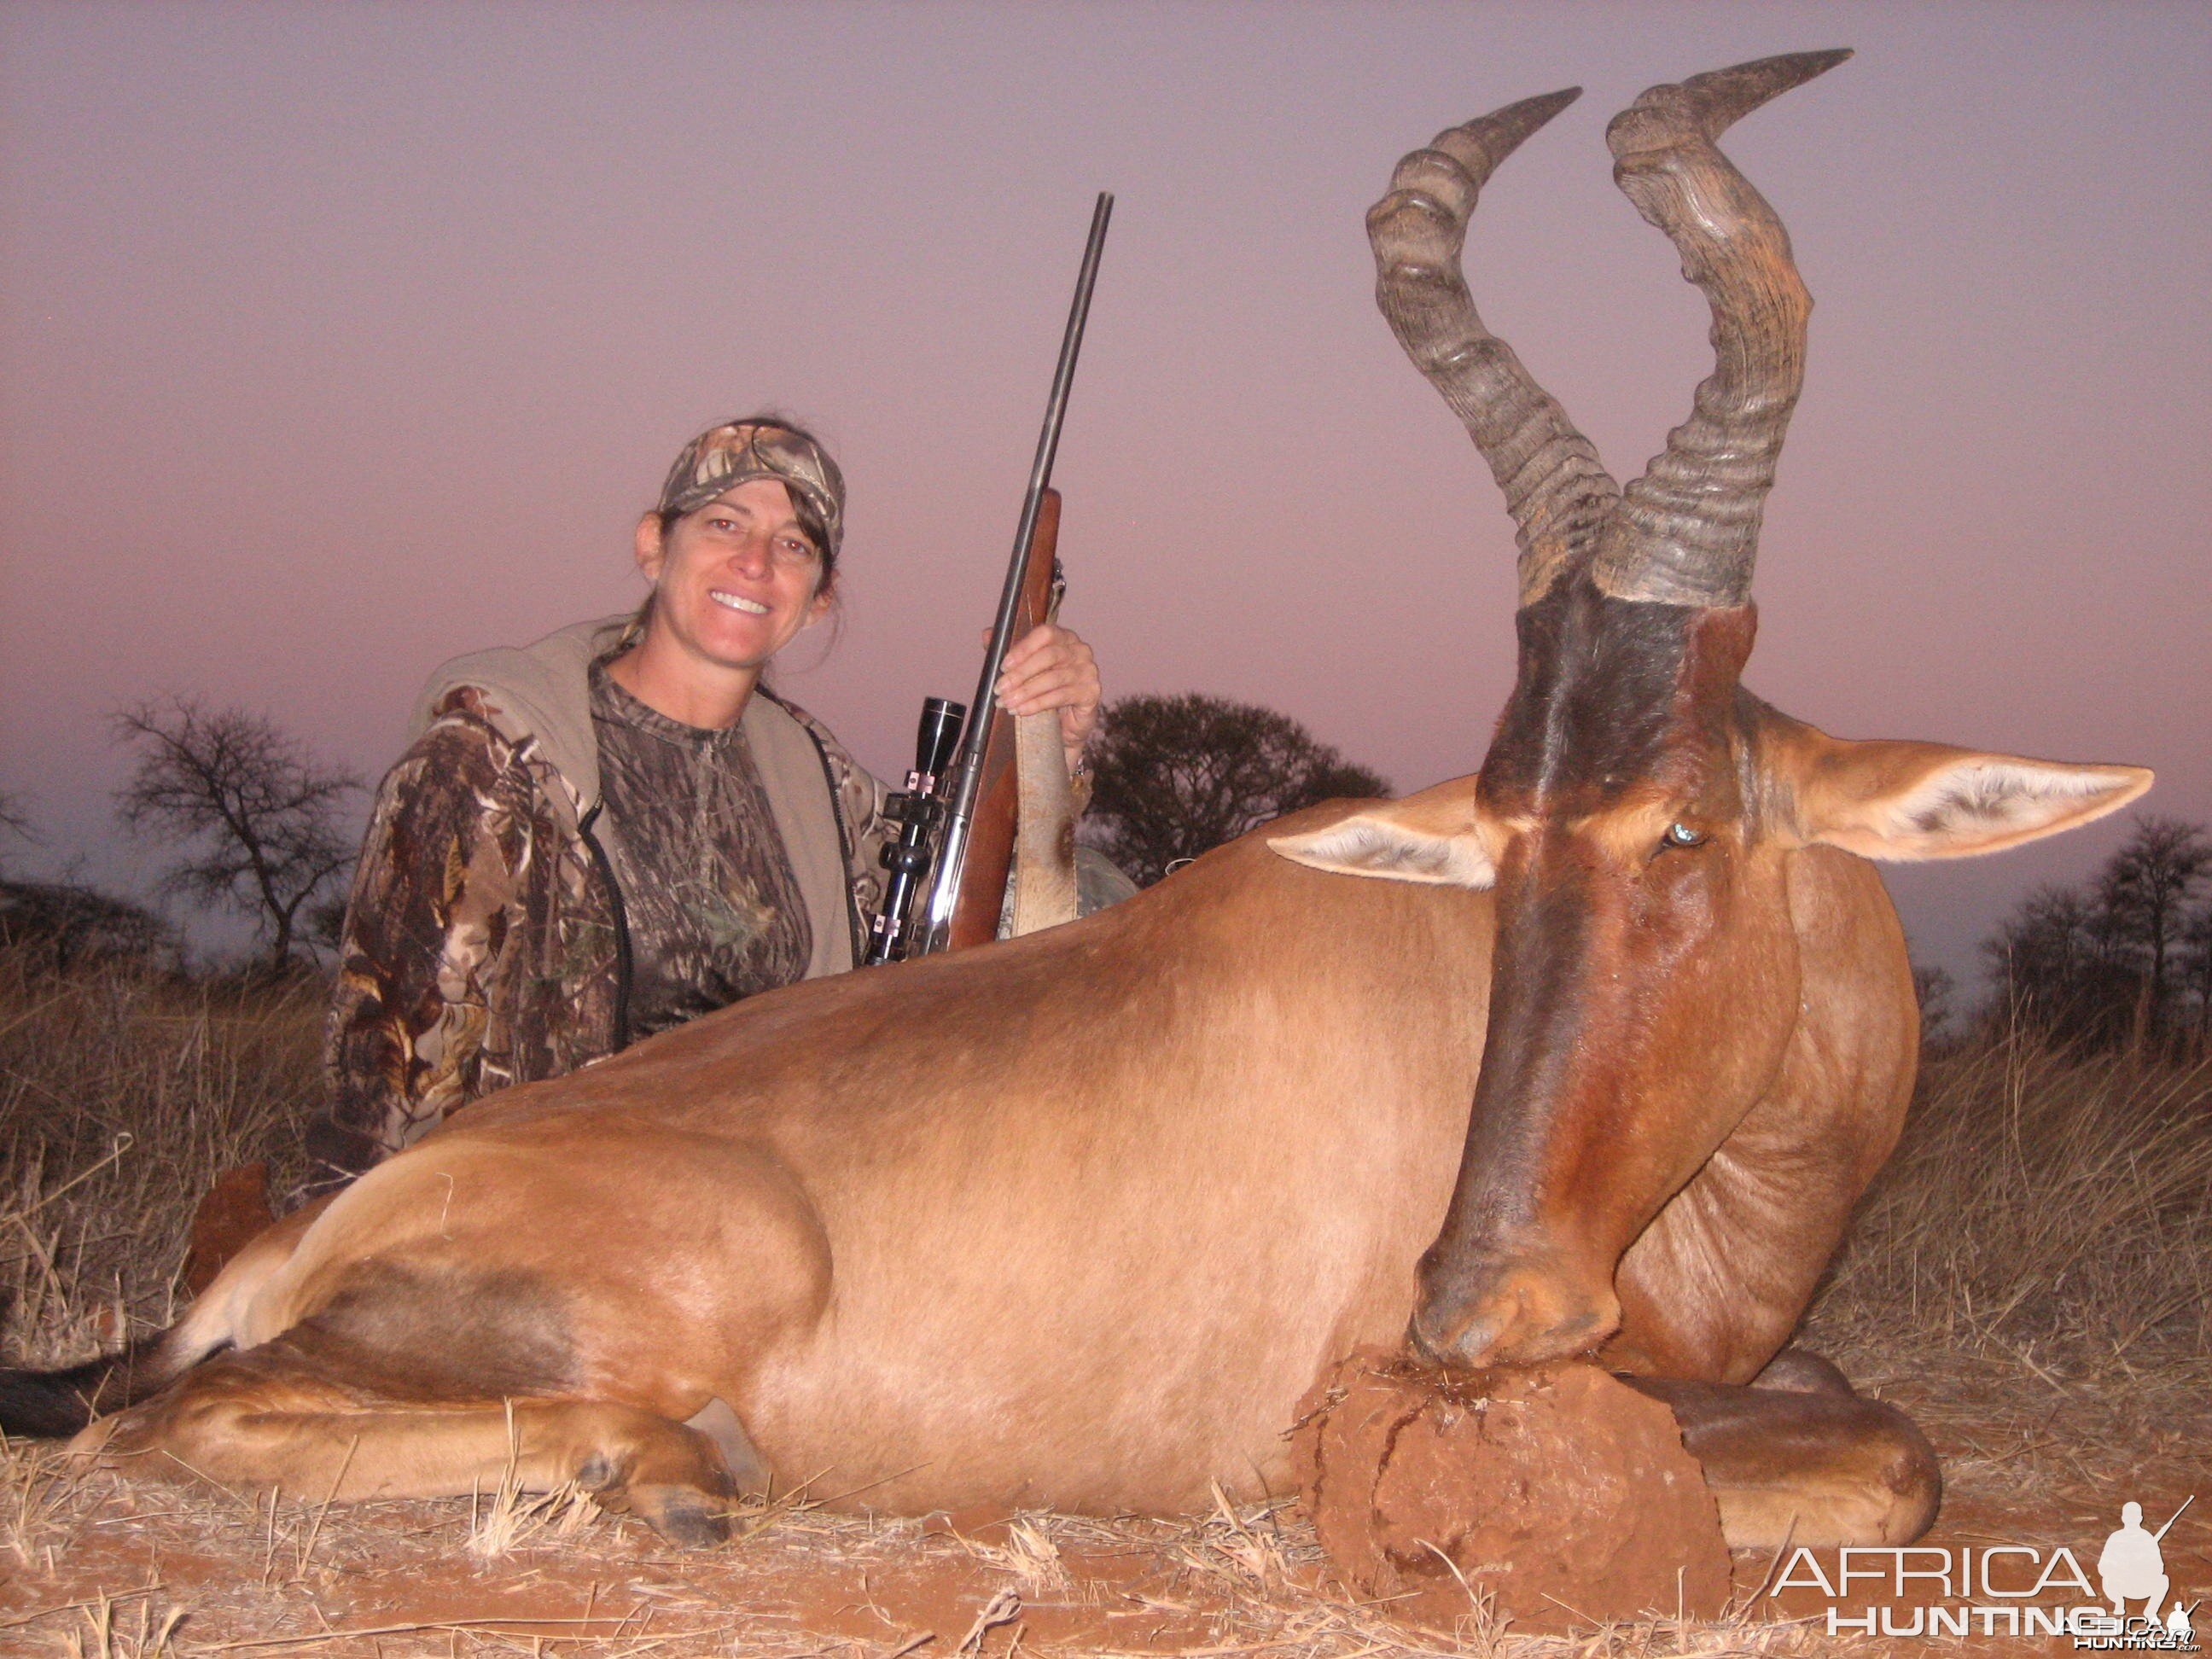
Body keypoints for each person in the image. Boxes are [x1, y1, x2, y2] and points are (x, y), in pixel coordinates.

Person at [308, 417, 1110, 1195]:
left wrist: (1052, 752)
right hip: (530, 1220)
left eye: (794, 545)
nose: (756, 561)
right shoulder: (489, 763)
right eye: (725, 523)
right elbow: (381, 1097)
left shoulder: (819, 787)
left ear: (818, 598)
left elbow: (976, 940)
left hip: (768, 1225)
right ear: (654, 545)